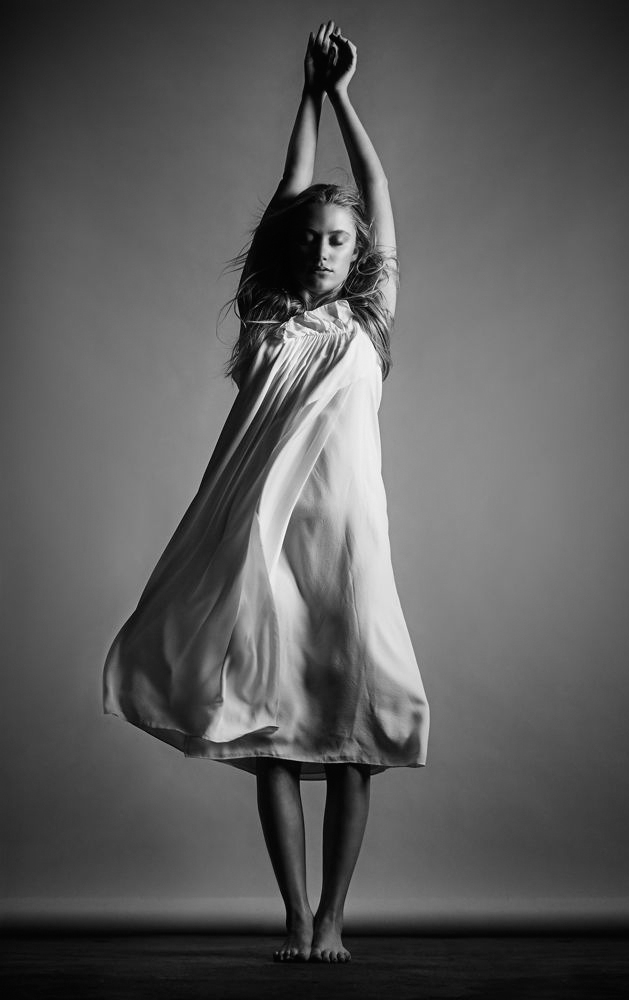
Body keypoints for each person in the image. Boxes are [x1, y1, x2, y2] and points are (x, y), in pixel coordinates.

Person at [103, 21, 429, 964]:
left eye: (339, 241)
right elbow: (290, 197)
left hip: (350, 548)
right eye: (314, 239)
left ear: (358, 253)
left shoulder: (368, 320)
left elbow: (376, 199)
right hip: (269, 542)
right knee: (276, 733)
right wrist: (305, 98)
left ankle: (334, 921)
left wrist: (343, 99)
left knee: (355, 735)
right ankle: (295, 919)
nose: (324, 249)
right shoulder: (266, 319)